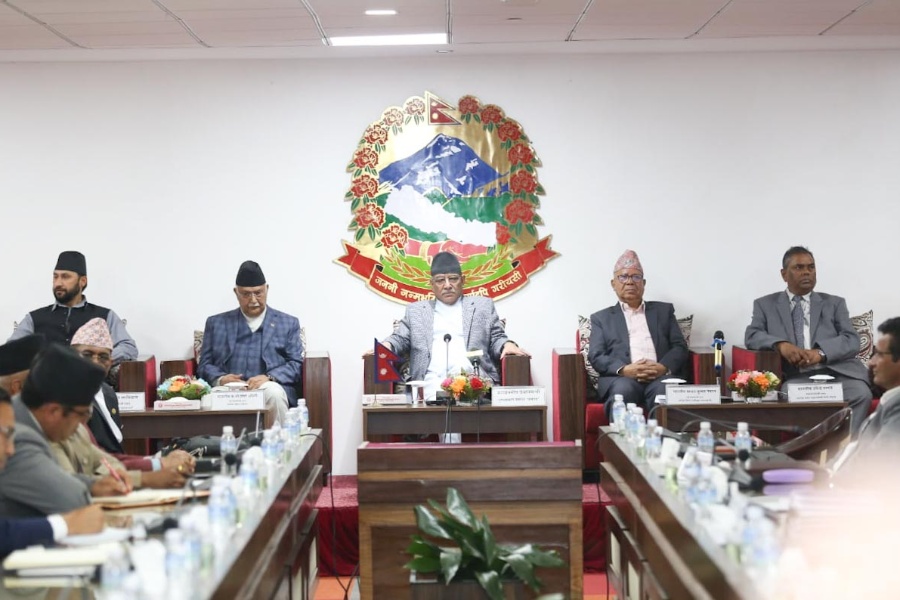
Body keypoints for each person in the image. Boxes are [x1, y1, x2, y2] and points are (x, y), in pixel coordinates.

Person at [745, 246, 872, 435]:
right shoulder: (765, 305)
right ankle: (813, 446)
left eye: (811, 267)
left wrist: (821, 353)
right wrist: (781, 345)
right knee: (789, 394)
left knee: (861, 394)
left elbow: (851, 339)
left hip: (836, 374)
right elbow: (752, 335)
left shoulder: (834, 303)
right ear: (784, 274)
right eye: (799, 267)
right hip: (797, 377)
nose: (806, 272)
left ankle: (848, 446)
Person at [378, 251, 530, 402]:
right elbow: (400, 338)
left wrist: (507, 344)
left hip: (472, 382)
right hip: (428, 382)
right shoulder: (416, 311)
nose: (447, 285)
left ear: (462, 280)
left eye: (453, 279)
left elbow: (497, 337)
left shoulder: (482, 306)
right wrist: (386, 345)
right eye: (440, 280)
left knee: (468, 390)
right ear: (431, 284)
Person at [0, 343, 129, 518]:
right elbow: (69, 499)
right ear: (54, 411)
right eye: (81, 414)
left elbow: (55, 478)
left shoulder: (30, 418)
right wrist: (90, 488)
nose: (82, 424)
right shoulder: (18, 435)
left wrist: (93, 485)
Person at [69, 318, 195, 478]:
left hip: (117, 473)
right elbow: (96, 460)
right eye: (87, 355)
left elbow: (114, 455)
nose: (95, 362)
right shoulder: (70, 397)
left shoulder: (108, 393)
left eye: (103, 357)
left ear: (111, 362)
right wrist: (156, 465)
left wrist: (157, 461)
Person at [0, 387, 104, 558]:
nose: (11, 450)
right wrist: (66, 524)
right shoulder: (26, 439)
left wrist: (94, 484)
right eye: (6, 434)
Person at [198, 261, 303, 425]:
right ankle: (213, 442)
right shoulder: (216, 323)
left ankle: (281, 441)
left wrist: (270, 377)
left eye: (258, 293)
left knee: (275, 394)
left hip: (268, 386)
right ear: (236, 292)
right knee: (207, 400)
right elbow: (204, 365)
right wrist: (221, 379)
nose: (253, 300)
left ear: (267, 289)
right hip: (228, 389)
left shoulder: (288, 323)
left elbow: (296, 364)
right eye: (246, 294)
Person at [587, 250, 688, 415]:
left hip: (661, 377)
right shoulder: (602, 318)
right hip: (622, 378)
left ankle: (664, 433)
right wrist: (624, 369)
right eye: (623, 277)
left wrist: (663, 367)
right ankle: (623, 433)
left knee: (665, 392)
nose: (630, 282)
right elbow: (596, 355)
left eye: (636, 277)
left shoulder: (663, 311)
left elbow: (679, 346)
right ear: (613, 284)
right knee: (623, 392)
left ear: (643, 283)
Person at [8, 251, 137, 363]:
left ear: (82, 281)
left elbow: (128, 347)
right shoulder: (34, 318)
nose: (58, 283)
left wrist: (96, 359)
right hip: (44, 381)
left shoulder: (105, 316)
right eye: (55, 277)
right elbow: (11, 349)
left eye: (65, 277)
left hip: (91, 381)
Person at [831, 317, 900, 477]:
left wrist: (820, 480)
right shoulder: (890, 399)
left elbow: (873, 467)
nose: (871, 363)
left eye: (879, 355)